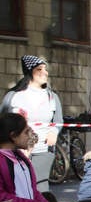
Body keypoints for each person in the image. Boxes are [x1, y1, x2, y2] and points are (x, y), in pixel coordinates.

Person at [0, 55, 63, 191]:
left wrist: (54, 131)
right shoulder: (13, 96)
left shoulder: (52, 97)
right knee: (17, 186)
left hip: (43, 150)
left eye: (46, 69)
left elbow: (58, 121)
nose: (45, 73)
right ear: (30, 71)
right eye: (39, 69)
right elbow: (3, 121)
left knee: (40, 187)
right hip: (16, 150)